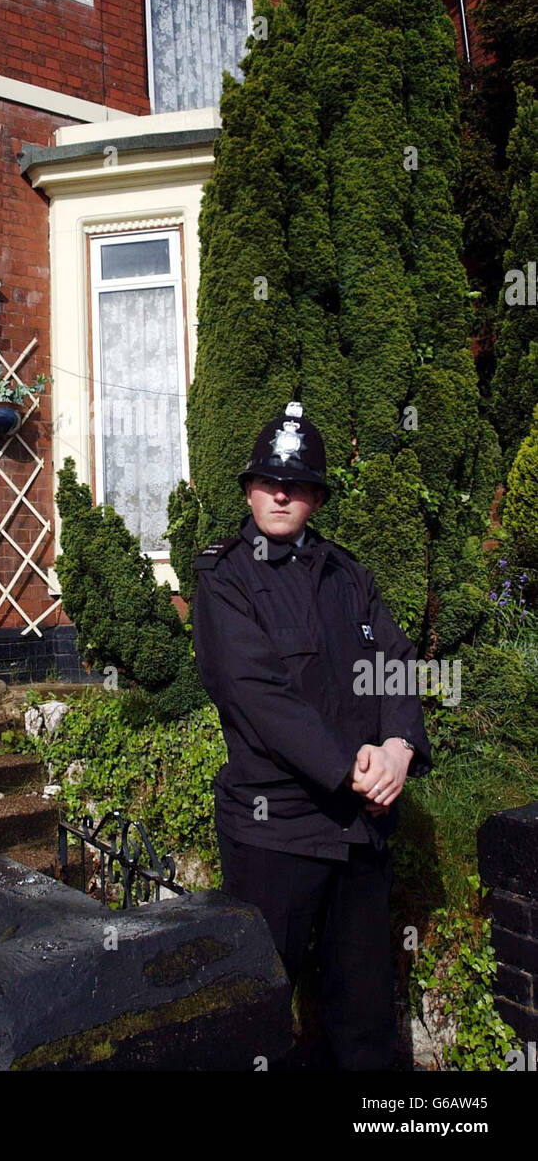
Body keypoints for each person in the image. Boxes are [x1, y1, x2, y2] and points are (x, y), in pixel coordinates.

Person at [191, 401, 433, 1071]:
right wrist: (351, 766)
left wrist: (399, 748)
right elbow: (255, 694)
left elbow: (396, 661)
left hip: (360, 824)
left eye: (295, 484)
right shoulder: (225, 577)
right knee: (260, 1009)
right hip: (277, 829)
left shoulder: (347, 573)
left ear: (317, 497)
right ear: (248, 489)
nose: (280, 493)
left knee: (363, 1013)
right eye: (268, 481)